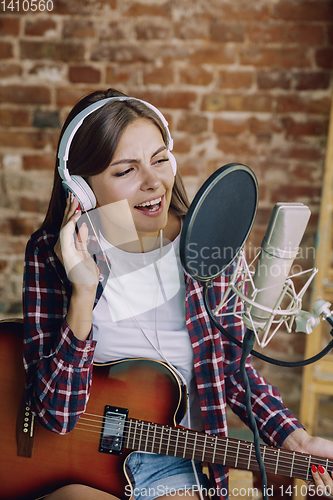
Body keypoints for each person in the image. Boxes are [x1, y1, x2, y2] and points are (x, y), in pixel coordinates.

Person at [23, 88, 333, 500]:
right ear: (80, 189)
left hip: (173, 456)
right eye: (125, 171)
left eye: (160, 160)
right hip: (72, 458)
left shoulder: (209, 245)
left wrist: (294, 438)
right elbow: (56, 414)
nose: (154, 183)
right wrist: (82, 293)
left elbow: (229, 369)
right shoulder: (50, 253)